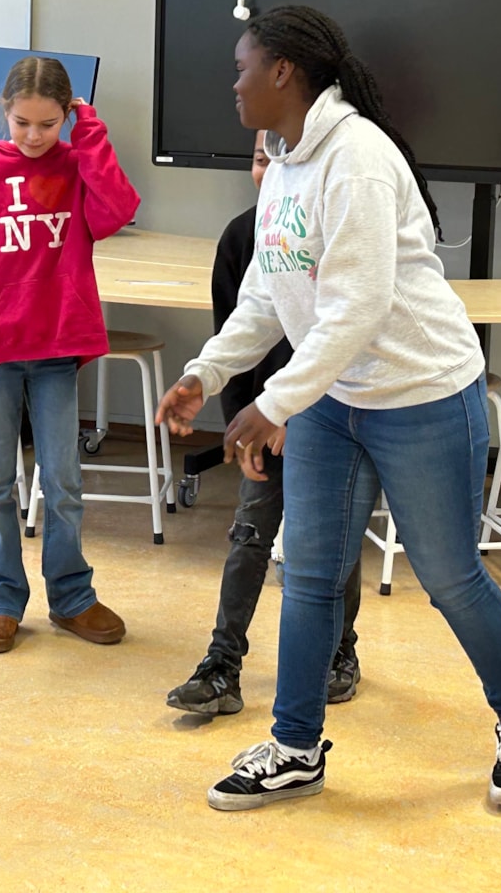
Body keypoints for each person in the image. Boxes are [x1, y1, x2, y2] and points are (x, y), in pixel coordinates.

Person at [156, 5, 501, 812]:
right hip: (335, 400)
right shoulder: (283, 162)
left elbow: (359, 306)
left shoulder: (358, 158)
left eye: (241, 68)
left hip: (421, 394)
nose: (233, 84)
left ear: (283, 72)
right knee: (308, 574)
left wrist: (274, 403)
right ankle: (296, 746)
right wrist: (206, 371)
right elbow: (267, 293)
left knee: (448, 575)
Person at [0, 56, 140, 655]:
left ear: (68, 115)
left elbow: (118, 210)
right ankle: (0, 599)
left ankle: (72, 597)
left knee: (63, 480)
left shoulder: (76, 165)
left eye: (49, 123)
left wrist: (90, 135)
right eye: (22, 123)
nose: (35, 136)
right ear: (5, 113)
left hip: (57, 345)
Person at [166, 131, 364, 717]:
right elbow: (237, 336)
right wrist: (241, 426)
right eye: (259, 159)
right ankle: (221, 666)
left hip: (332, 409)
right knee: (250, 533)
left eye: (281, 159)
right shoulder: (242, 237)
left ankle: (341, 652)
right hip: (263, 414)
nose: (270, 170)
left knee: (332, 538)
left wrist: (292, 410)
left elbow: (342, 337)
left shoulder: (337, 228)